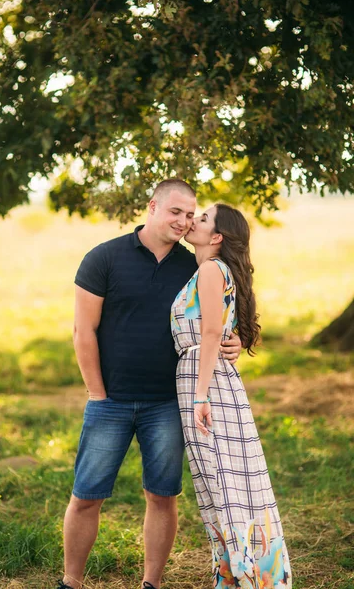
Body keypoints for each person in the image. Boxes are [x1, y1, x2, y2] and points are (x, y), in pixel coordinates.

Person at [56, 180, 242, 589]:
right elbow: (82, 330)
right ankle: (71, 582)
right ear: (152, 206)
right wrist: (96, 393)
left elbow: (218, 314)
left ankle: (151, 584)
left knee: (162, 496)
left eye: (191, 214)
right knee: (86, 495)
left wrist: (237, 338)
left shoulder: (194, 265)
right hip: (111, 400)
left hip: (168, 402)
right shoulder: (104, 258)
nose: (183, 221)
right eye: (175, 211)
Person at [171, 203, 292, 589]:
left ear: (218, 236)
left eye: (202, 219)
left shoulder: (210, 269)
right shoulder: (212, 270)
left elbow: (209, 334)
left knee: (227, 487)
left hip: (208, 387)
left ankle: (249, 578)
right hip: (205, 379)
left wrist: (200, 395)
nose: (193, 222)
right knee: (224, 485)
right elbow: (220, 331)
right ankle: (238, 575)